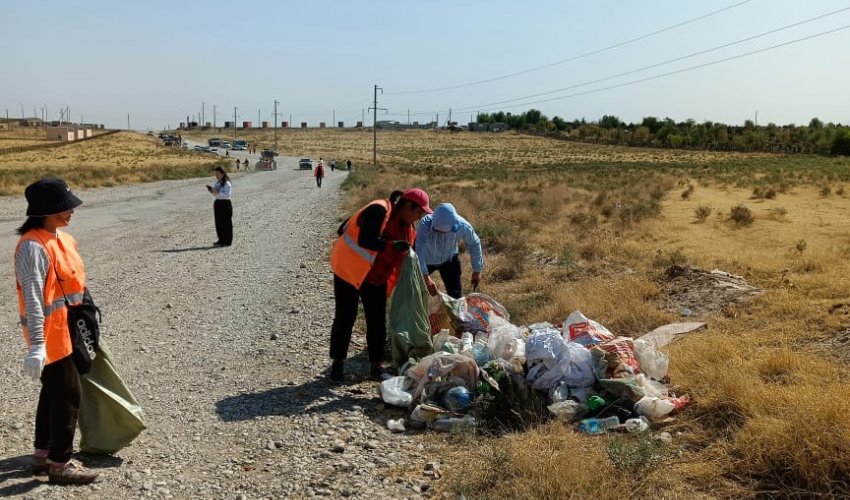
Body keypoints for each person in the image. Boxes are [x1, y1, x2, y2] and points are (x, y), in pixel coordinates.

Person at [14, 178, 99, 484]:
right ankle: (60, 464)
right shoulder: (32, 247)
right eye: (65, 207)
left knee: (53, 393)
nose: (71, 211)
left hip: (69, 331)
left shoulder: (61, 238)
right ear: (46, 211)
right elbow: (34, 299)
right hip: (49, 337)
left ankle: (43, 455)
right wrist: (37, 345)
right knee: (67, 395)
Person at [328, 188, 433, 382]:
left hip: (376, 277)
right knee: (345, 317)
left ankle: (376, 367)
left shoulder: (409, 231)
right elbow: (363, 238)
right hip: (349, 271)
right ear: (407, 206)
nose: (418, 218)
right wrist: (390, 245)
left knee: (377, 321)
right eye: (418, 212)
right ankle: (337, 365)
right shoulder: (379, 210)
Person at [415, 203, 484, 299]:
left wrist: (477, 270)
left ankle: (454, 313)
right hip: (426, 260)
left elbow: (474, 243)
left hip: (449, 260)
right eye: (439, 231)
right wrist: (426, 279)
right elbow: (419, 248)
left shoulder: (462, 225)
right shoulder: (425, 224)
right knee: (414, 291)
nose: (442, 233)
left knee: (455, 297)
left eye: (446, 231)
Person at [207, 167, 233, 246]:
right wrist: (212, 191)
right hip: (218, 203)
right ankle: (221, 239)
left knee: (226, 223)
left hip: (225, 204)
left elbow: (226, 195)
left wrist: (217, 192)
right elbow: (215, 193)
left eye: (218, 174)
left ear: (223, 174)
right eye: (215, 174)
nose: (216, 176)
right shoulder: (217, 183)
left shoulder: (227, 183)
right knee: (219, 222)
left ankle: (227, 241)